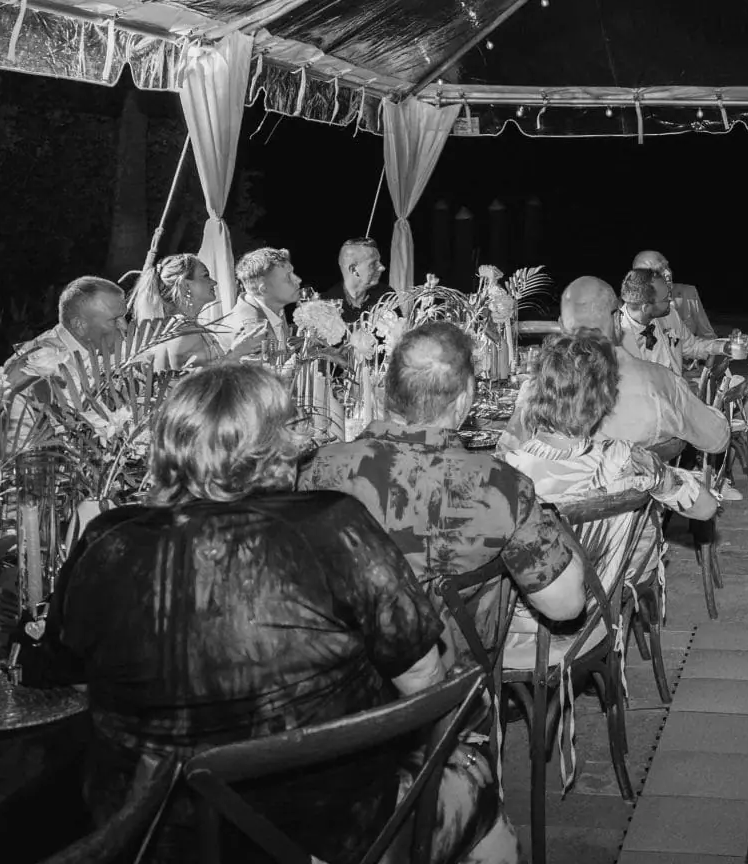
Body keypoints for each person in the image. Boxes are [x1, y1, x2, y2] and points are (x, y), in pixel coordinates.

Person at [41, 362, 514, 864]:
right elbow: (423, 682)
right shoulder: (332, 524)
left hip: (149, 836)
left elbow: (64, 681)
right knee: (474, 778)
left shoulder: (105, 538)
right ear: (276, 445)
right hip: (323, 834)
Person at [299, 321, 586, 658]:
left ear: (384, 391)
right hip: (455, 687)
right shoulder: (498, 485)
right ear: (464, 399)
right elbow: (566, 606)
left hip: (340, 674)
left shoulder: (317, 468)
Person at [499, 331, 715, 667]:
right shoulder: (628, 459)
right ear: (604, 401)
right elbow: (705, 508)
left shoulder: (504, 475)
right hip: (599, 617)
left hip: (516, 632)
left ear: (534, 393)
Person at [552, 276, 728, 457]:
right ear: (616, 321)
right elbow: (718, 439)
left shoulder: (535, 392)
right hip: (641, 478)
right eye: (665, 297)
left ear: (561, 326)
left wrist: (722, 346)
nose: (671, 300)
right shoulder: (658, 383)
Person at [7, 276, 130, 379]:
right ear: (80, 325)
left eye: (124, 316)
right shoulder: (38, 365)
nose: (125, 326)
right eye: (114, 320)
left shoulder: (107, 348)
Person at [129, 253, 223, 371]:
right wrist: (238, 352)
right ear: (185, 285)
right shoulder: (185, 332)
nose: (214, 282)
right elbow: (205, 383)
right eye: (205, 276)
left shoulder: (171, 327)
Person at [217, 246, 300, 353]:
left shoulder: (272, 309)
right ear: (264, 288)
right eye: (288, 277)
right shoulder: (250, 332)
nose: (297, 280)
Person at [631, 249, 715, 339]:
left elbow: (708, 336)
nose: (668, 273)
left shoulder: (688, 293)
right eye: (659, 271)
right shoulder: (629, 307)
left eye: (667, 267)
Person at [326, 237, 388, 324]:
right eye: (373, 263)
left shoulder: (386, 296)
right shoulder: (327, 305)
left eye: (379, 261)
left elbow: (402, 335)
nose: (382, 267)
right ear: (353, 270)